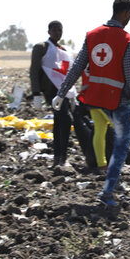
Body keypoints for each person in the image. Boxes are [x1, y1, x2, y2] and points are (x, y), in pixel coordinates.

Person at [52, 0, 130, 207]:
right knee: (122, 146)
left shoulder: (92, 36)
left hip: (96, 99)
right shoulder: (127, 40)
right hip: (119, 101)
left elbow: (77, 67)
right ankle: (108, 192)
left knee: (126, 135)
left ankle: (111, 182)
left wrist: (61, 93)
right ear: (127, 14)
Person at [30, 20, 78, 167]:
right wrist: (36, 93)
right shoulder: (41, 48)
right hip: (50, 91)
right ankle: (61, 156)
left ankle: (59, 157)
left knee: (59, 123)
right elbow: (34, 70)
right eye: (55, 30)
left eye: (60, 30)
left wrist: (73, 94)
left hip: (63, 91)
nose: (58, 33)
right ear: (49, 31)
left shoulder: (64, 50)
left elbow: (67, 72)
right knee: (66, 120)